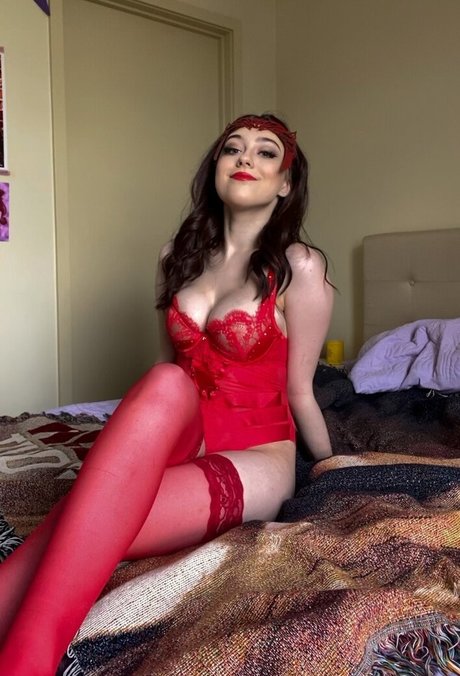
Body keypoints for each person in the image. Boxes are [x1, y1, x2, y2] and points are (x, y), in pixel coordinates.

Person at [0, 113, 334, 674]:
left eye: (265, 152)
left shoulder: (299, 266)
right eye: (232, 148)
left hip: (255, 453)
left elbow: (301, 390)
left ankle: (26, 658)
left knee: (87, 516)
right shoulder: (174, 258)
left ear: (285, 183)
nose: (245, 157)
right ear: (215, 169)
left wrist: (331, 469)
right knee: (165, 380)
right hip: (183, 430)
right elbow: (165, 369)